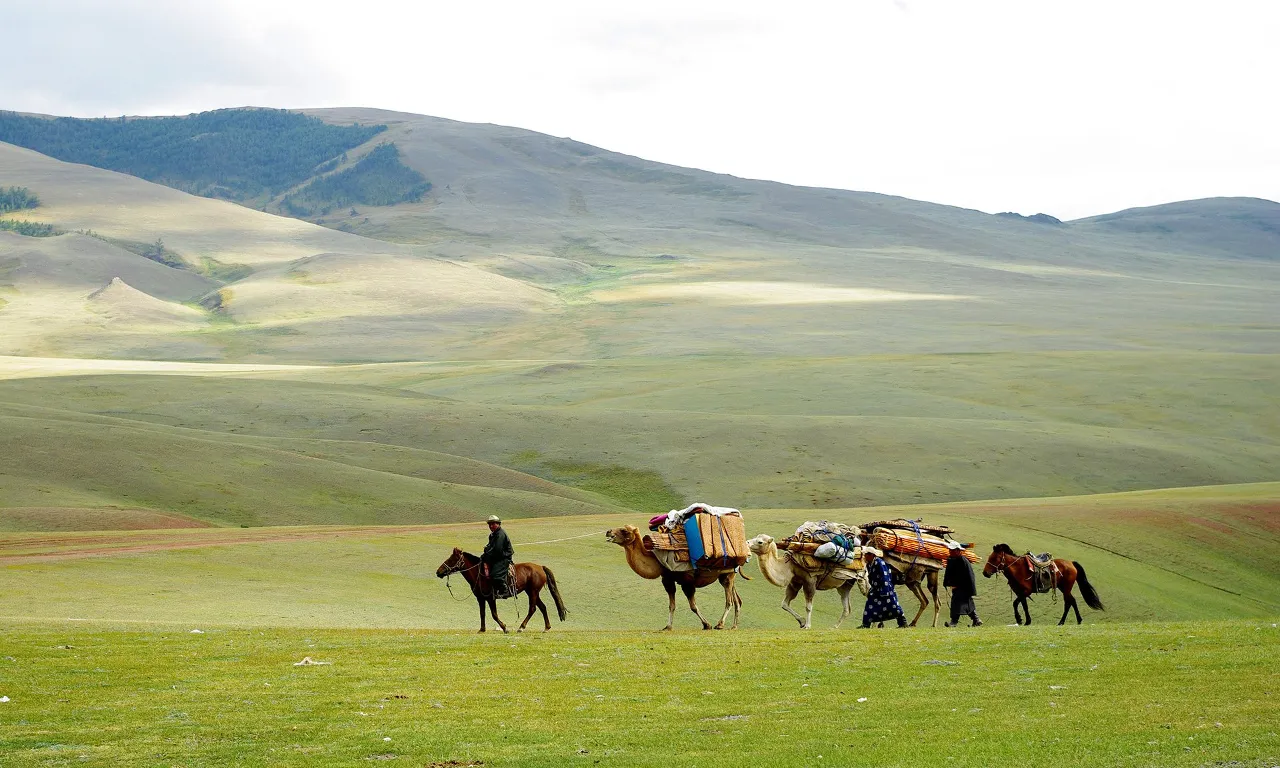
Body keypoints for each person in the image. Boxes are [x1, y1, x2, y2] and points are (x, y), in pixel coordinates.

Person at [859, 546, 908, 628]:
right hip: (875, 590)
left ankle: (903, 623)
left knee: (894, 606)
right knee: (869, 607)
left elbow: (885, 576)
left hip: (886, 590)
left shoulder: (879, 563)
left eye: (865, 555)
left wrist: (885, 591)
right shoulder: (869, 564)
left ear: (871, 555)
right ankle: (866, 624)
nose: (864, 557)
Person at [943, 540, 982, 627]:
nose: (950, 551)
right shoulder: (953, 559)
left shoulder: (963, 561)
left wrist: (956, 584)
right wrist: (949, 583)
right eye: (950, 550)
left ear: (958, 550)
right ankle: (976, 619)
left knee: (956, 602)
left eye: (952, 550)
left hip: (963, 587)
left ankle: (954, 622)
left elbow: (967, 576)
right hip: (959, 587)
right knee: (967, 603)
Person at [481, 514, 515, 598]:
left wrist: (487, 555)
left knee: (495, 575)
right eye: (490, 524)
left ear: (498, 524)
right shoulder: (493, 535)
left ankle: (505, 590)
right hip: (497, 556)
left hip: (504, 558)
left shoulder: (500, 535)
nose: (491, 526)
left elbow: (498, 551)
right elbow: (490, 548)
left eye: (493, 524)